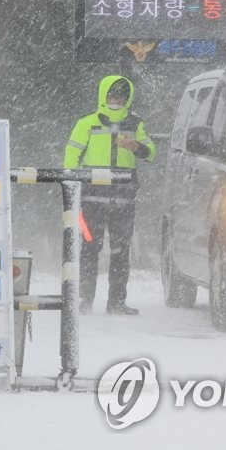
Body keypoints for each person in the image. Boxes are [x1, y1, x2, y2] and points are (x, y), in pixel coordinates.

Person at [64, 75, 156, 315]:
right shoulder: (87, 124)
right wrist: (72, 185)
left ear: (128, 98)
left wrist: (137, 147)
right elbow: (71, 155)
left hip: (124, 200)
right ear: (103, 96)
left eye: (121, 96)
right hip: (91, 200)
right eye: (112, 95)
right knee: (88, 250)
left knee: (120, 252)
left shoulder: (135, 125)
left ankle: (116, 303)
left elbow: (152, 153)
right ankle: (84, 301)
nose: (116, 100)